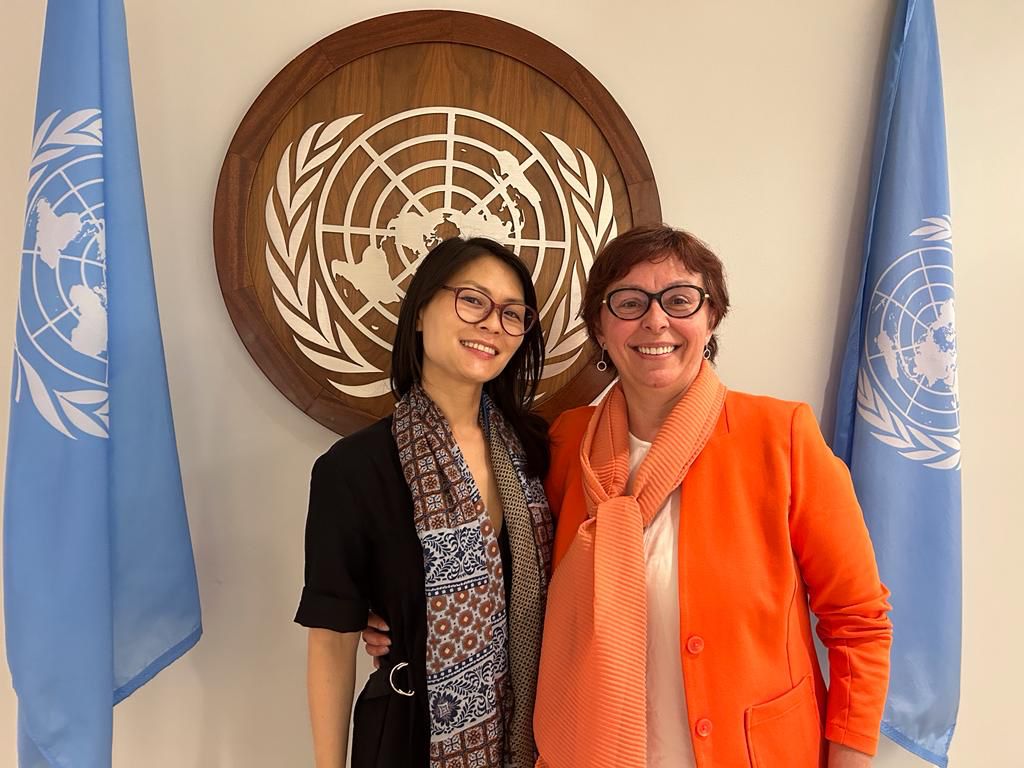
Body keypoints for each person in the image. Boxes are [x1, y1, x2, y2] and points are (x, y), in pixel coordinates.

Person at [364, 225, 892, 768]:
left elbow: (858, 621)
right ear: (600, 326)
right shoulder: (566, 443)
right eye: (630, 302)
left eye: (680, 300)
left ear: (711, 318)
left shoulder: (781, 436)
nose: (656, 320)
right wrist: (401, 612)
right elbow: (507, 574)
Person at [295, 237, 554, 768]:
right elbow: (333, 635)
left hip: (529, 739)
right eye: (473, 300)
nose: (491, 325)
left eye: (512, 313)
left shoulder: (536, 454)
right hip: (403, 738)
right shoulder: (353, 468)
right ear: (420, 312)